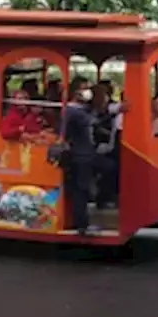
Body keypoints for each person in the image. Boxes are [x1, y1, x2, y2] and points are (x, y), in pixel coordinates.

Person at [60, 87, 99, 235]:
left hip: (82, 154)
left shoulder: (77, 110)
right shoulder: (74, 112)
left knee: (81, 189)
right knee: (80, 190)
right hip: (80, 156)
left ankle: (81, 222)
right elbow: (93, 122)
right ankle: (81, 224)